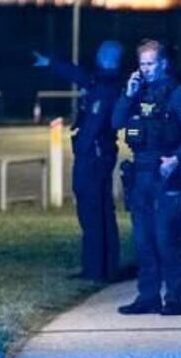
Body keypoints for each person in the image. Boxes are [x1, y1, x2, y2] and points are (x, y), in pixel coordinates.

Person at [112, 39, 181, 316]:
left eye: (151, 63)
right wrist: (128, 95)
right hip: (141, 174)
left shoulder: (178, 93)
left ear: (163, 63)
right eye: (142, 64)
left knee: (168, 239)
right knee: (143, 240)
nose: (146, 69)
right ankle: (148, 297)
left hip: (168, 173)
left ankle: (175, 299)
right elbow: (115, 123)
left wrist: (176, 159)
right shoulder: (137, 92)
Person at [32, 41, 124, 282]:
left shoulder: (104, 89)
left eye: (101, 53)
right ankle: (105, 266)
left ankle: (95, 270)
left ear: (106, 58)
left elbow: (93, 125)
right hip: (100, 155)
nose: (97, 55)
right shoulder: (104, 82)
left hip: (93, 157)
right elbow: (79, 75)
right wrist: (52, 63)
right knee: (102, 211)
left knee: (91, 211)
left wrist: (82, 148)